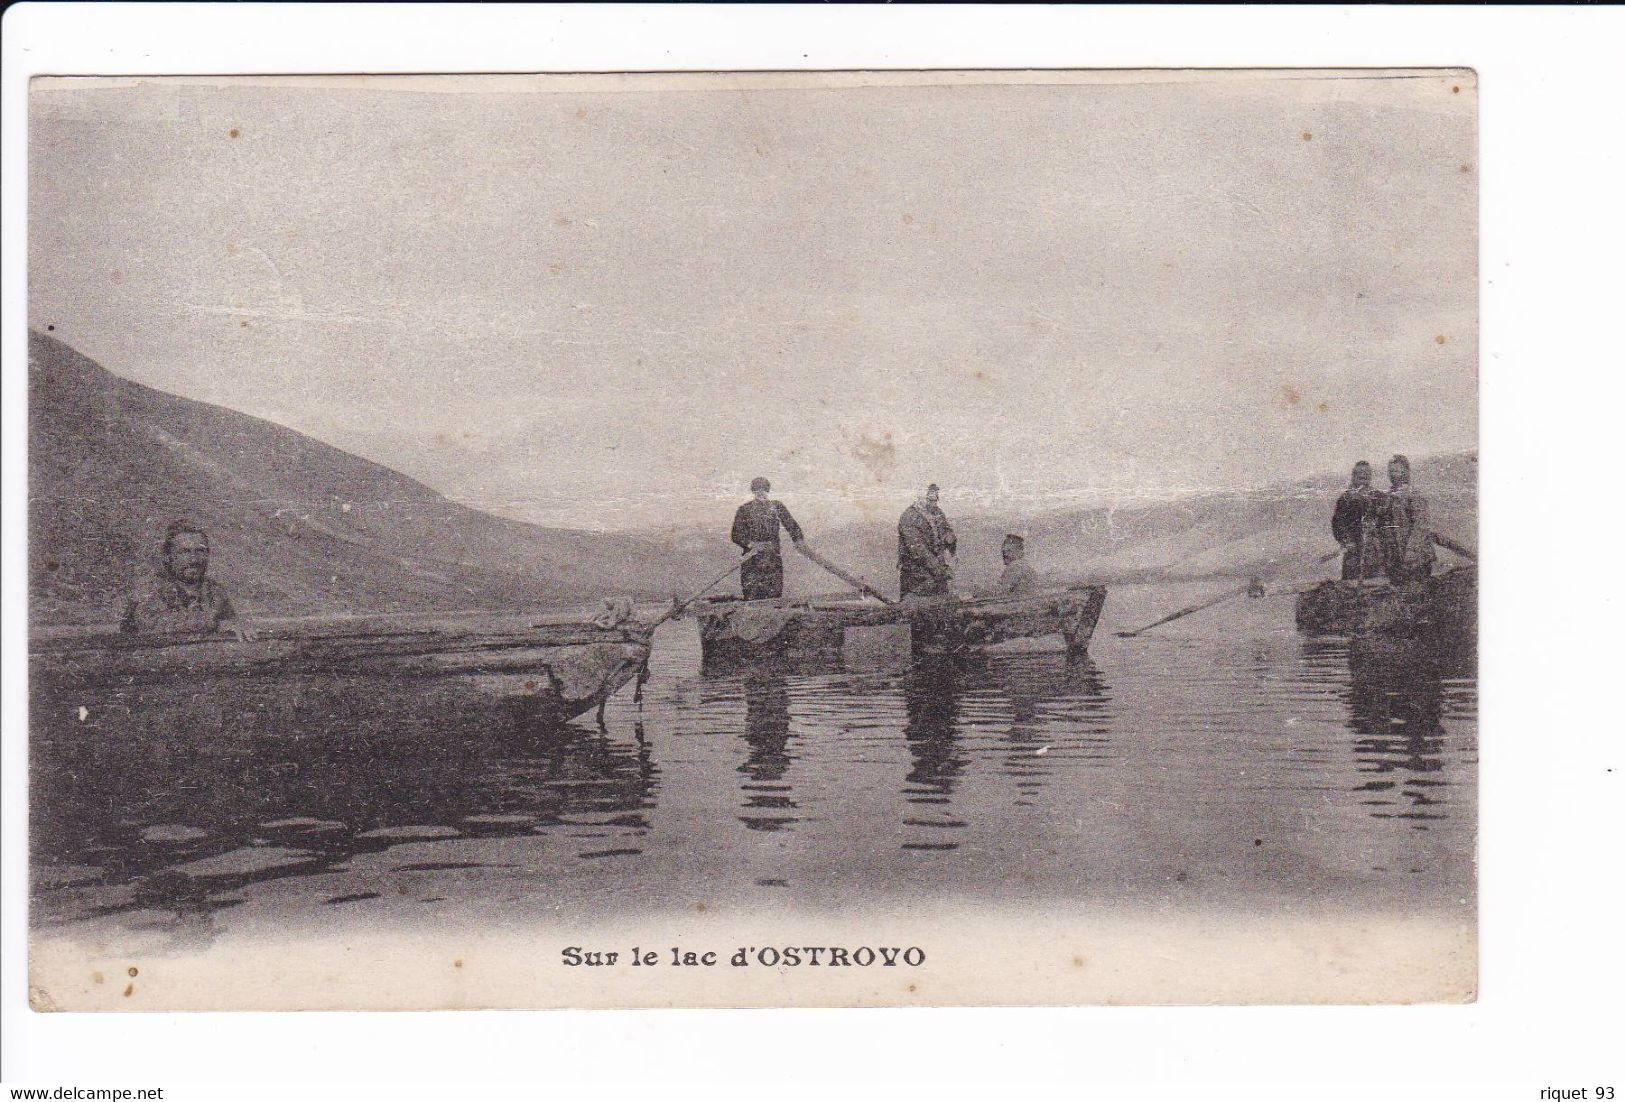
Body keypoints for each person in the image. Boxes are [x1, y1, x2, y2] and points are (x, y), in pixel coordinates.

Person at [120, 521, 253, 639]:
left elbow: (232, 624)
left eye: (200, 551)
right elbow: (155, 625)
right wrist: (216, 624)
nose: (194, 559)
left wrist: (237, 624)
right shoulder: (149, 589)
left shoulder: (215, 592)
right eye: (184, 552)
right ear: (168, 557)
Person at [730, 477, 805, 600]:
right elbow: (736, 534)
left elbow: (791, 525)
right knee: (752, 594)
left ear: (768, 491)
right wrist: (750, 544)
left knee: (774, 593)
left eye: (764, 489)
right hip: (751, 559)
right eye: (757, 490)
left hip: (772, 557)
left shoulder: (776, 506)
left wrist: (798, 540)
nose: (761, 492)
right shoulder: (744, 509)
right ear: (753, 491)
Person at [1378, 454, 1436, 586]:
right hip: (1395, 559)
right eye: (1391, 471)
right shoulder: (1387, 496)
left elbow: (1420, 526)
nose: (1393, 475)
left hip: (1416, 558)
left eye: (1397, 471)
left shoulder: (1414, 494)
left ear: (1405, 472)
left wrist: (1412, 551)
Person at [897, 484, 957, 599]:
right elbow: (919, 551)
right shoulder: (909, 518)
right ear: (920, 497)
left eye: (936, 498)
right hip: (917, 578)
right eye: (931, 499)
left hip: (938, 575)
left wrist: (949, 538)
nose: (935, 501)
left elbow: (945, 529)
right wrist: (940, 570)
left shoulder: (937, 512)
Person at [1331, 460, 1384, 580]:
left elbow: (1385, 522)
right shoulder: (1345, 499)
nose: (1363, 475)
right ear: (1353, 476)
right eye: (1359, 473)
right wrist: (1346, 541)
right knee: (1352, 585)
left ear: (1370, 476)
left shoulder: (1378, 496)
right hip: (1353, 552)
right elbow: (1338, 524)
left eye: (1366, 473)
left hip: (1375, 552)